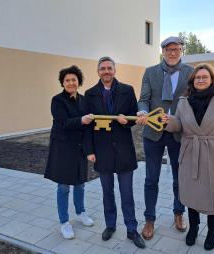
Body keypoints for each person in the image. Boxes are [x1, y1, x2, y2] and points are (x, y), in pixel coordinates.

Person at [165, 63, 214, 250]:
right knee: (192, 194)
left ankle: (212, 231)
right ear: (192, 81)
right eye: (198, 77)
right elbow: (179, 125)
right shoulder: (183, 101)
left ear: (212, 79)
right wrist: (168, 121)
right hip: (190, 153)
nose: (201, 80)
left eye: (205, 77)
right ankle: (193, 228)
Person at [84, 56, 145, 249]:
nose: (106, 71)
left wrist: (129, 121)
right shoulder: (90, 94)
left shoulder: (127, 90)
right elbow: (87, 126)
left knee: (127, 193)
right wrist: (90, 151)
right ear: (98, 71)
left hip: (124, 150)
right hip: (102, 151)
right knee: (107, 193)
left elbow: (134, 116)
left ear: (114, 70)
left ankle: (132, 229)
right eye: (102, 68)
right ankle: (110, 226)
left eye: (109, 68)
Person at [136, 36, 194, 239]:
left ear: (181, 51)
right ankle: (149, 219)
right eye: (169, 49)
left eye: (177, 49)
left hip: (179, 132)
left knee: (180, 178)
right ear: (163, 51)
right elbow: (143, 100)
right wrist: (142, 112)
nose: (173, 52)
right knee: (151, 178)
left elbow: (194, 100)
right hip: (153, 133)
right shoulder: (150, 72)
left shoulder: (190, 72)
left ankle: (179, 213)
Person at [44, 65, 95, 240]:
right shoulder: (57, 100)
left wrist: (90, 150)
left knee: (80, 183)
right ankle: (64, 222)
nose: (71, 82)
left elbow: (89, 128)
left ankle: (80, 212)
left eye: (74, 79)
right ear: (62, 82)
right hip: (63, 148)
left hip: (79, 148)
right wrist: (81, 120)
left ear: (78, 81)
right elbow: (63, 123)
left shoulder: (84, 100)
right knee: (64, 186)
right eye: (67, 80)